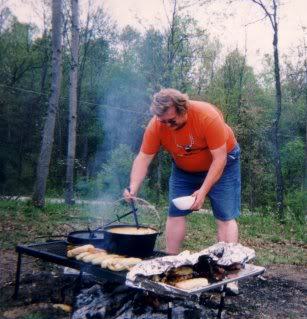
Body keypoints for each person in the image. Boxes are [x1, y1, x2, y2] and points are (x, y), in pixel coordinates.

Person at [123, 88, 241, 256]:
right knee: (175, 213)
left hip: (224, 162)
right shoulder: (157, 125)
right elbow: (144, 157)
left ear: (183, 108)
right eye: (163, 121)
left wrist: (202, 191)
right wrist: (133, 186)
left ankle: (230, 274)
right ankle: (171, 261)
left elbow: (219, 159)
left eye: (171, 120)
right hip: (183, 167)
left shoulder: (207, 116)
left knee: (225, 216)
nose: (167, 126)